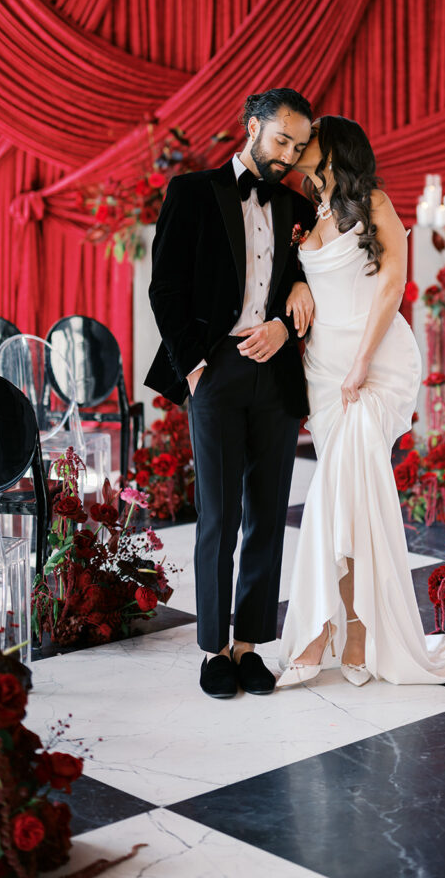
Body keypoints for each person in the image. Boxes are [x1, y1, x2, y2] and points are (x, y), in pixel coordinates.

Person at [277, 116, 445, 687]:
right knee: (349, 494)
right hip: (323, 370)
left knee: (332, 491)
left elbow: (393, 282)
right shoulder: (306, 207)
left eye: (313, 141)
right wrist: (297, 286)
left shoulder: (371, 200)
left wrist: (359, 362)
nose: (301, 148)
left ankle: (321, 632)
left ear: (336, 150)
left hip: (372, 362)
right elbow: (289, 276)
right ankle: (353, 628)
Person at [146, 88, 316, 699]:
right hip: (214, 369)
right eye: (280, 141)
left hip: (275, 372)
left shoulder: (299, 205)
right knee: (220, 513)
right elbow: (164, 287)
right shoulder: (192, 193)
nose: (288, 155)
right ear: (252, 128)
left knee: (269, 512)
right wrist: (194, 367)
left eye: (298, 146)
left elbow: (306, 276)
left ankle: (249, 645)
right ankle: (214, 647)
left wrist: (289, 312)